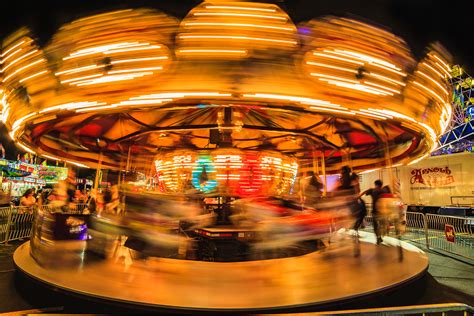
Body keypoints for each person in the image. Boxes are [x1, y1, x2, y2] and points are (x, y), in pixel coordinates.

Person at [359, 180, 391, 244]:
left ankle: (378, 237)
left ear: (375, 184)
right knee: (383, 223)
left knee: (376, 225)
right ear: (381, 185)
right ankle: (383, 232)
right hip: (383, 211)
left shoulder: (372, 190)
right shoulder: (385, 190)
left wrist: (359, 197)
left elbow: (365, 192)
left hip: (375, 211)